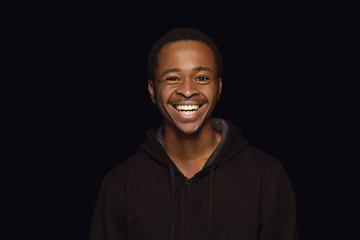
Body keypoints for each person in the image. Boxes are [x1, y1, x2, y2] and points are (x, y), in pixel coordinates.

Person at [89, 27, 298, 240]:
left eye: (201, 78)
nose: (187, 91)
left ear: (219, 87)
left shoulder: (265, 175)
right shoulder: (121, 183)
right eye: (172, 78)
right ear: (152, 90)